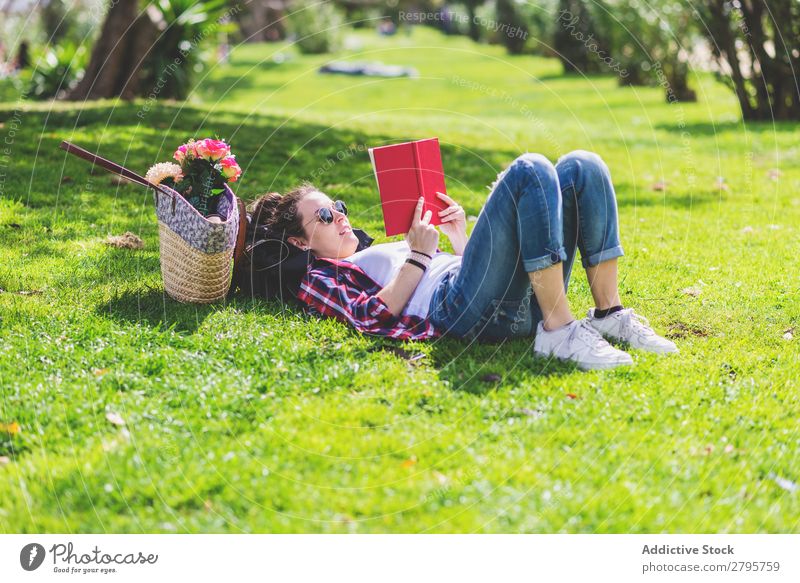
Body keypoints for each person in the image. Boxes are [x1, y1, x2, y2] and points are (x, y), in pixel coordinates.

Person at [247, 150, 677, 370]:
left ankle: (608, 313)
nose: (339, 215)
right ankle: (560, 332)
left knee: (583, 166)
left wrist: (459, 241)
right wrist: (417, 253)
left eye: (337, 206)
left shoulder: (370, 249)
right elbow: (369, 318)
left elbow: (481, 278)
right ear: (301, 242)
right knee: (529, 170)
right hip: (460, 310)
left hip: (503, 297)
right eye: (324, 215)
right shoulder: (321, 273)